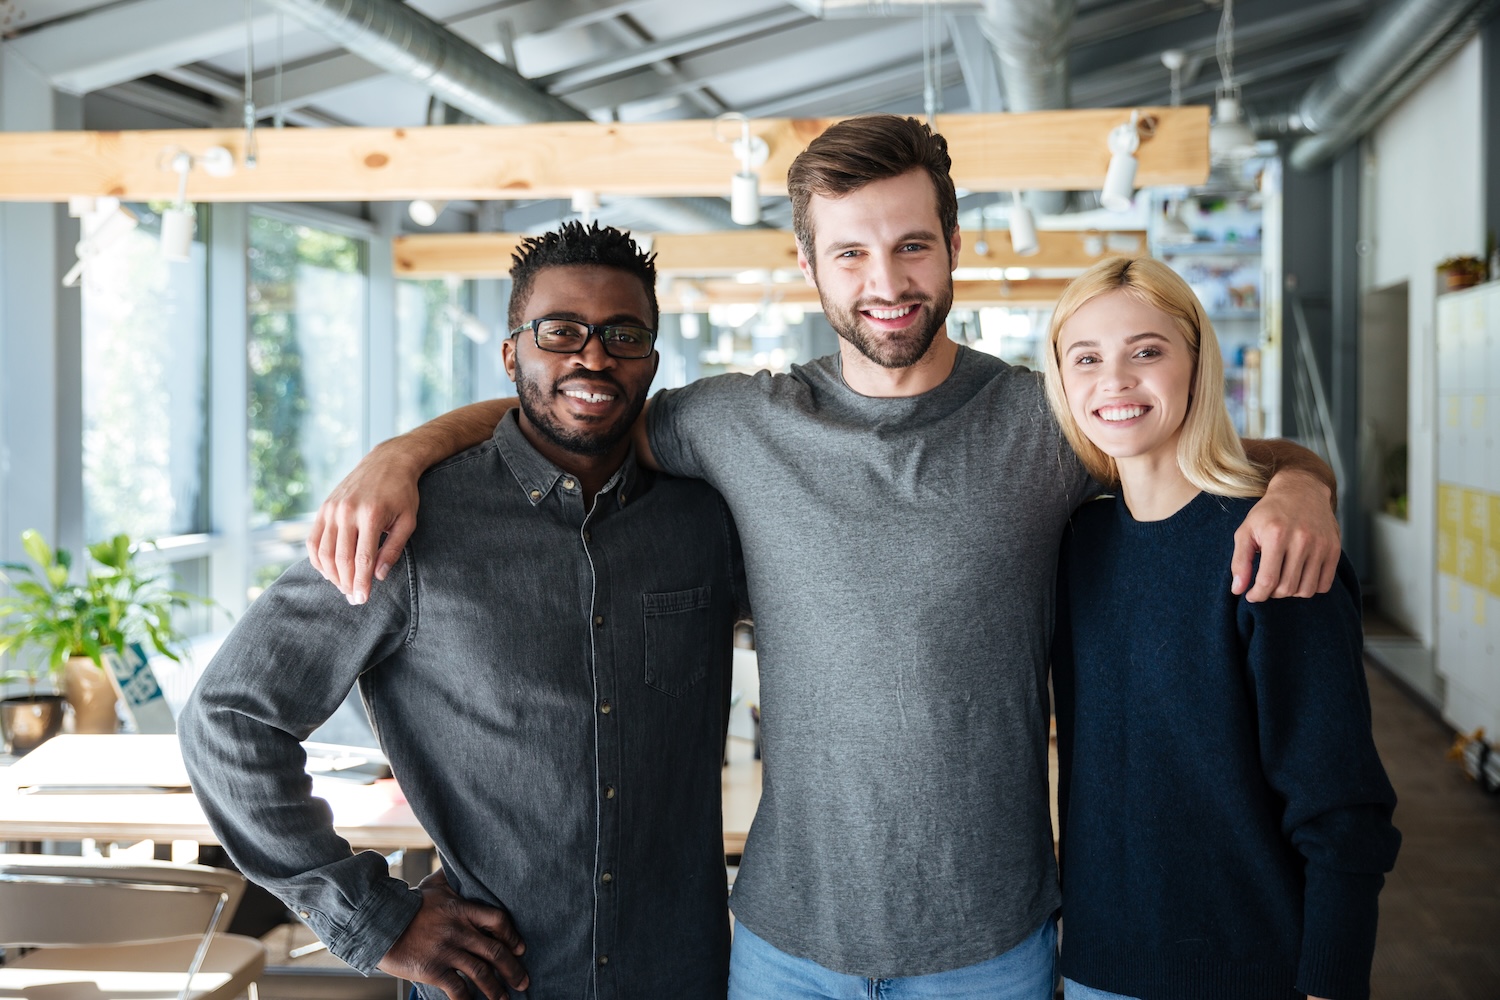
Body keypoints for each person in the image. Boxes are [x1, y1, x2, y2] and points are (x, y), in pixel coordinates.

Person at [305, 116, 1343, 998]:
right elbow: (573, 405)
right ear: (807, 266)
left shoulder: (1050, 418)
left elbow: (1205, 446)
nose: (884, 282)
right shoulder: (737, 420)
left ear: (953, 247)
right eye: (849, 252)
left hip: (993, 947)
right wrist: (406, 452)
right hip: (783, 948)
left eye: (911, 246)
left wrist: (1301, 481)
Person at [178, 222, 745, 1000]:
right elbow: (230, 717)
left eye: (624, 333)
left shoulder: (705, 523)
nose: (593, 355)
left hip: (681, 975)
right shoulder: (408, 525)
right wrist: (373, 921)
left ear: (651, 357)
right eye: (561, 331)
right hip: (494, 980)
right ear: (511, 353)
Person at [1045, 256, 1400, 1000]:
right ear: (1060, 379)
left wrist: (1330, 985)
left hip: (1251, 969)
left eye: (1147, 351)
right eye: (1087, 358)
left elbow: (1343, 806)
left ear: (1197, 365)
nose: (1114, 381)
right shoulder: (1077, 545)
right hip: (1096, 967)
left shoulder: (1275, 547)